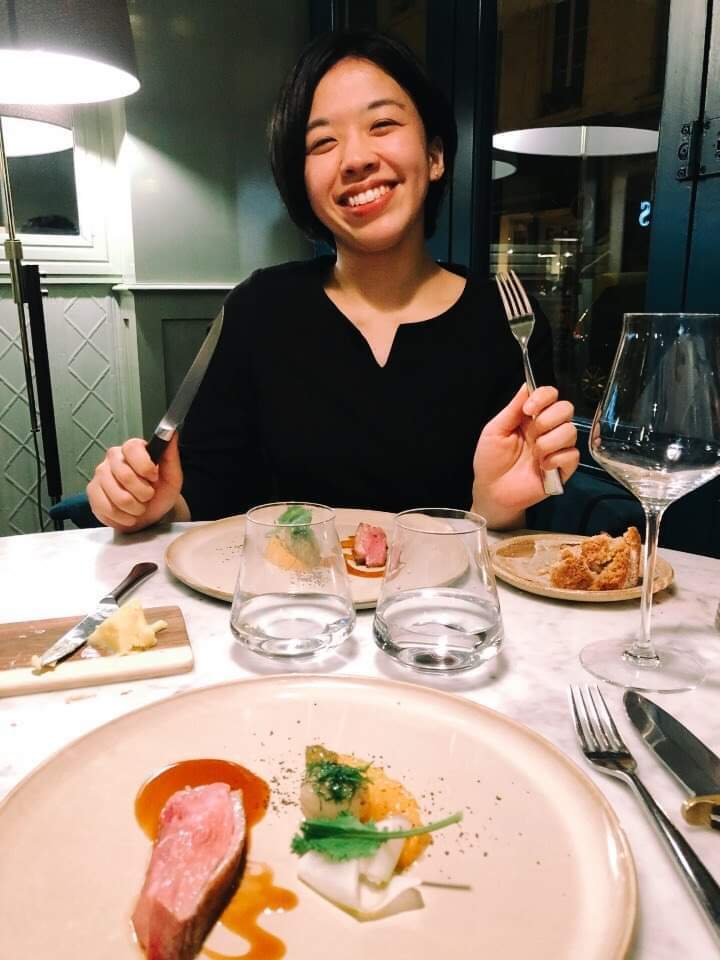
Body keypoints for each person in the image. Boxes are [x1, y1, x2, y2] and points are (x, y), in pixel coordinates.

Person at [87, 30, 578, 533]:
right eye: (323, 142)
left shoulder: (508, 319)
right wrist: (153, 505)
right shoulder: (260, 310)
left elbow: (524, 518)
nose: (356, 159)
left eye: (382, 124)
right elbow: (208, 493)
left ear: (435, 156)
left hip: (455, 585)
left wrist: (494, 508)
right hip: (286, 585)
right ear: (301, 182)